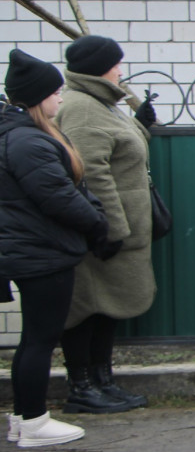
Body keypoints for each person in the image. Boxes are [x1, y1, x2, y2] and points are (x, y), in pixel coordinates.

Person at [2, 50, 111, 447]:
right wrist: (99, 225)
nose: (61, 97)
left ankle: (23, 419)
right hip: (42, 252)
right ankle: (33, 423)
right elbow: (60, 197)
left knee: (34, 338)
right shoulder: (27, 141)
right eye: (55, 91)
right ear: (37, 97)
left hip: (35, 249)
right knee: (41, 339)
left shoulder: (22, 135)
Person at [56, 35, 157, 414]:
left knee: (107, 309)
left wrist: (141, 125)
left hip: (118, 229)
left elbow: (121, 147)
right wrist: (110, 228)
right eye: (115, 63)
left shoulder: (102, 103)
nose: (120, 69)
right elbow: (92, 172)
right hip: (104, 232)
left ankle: (104, 381)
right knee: (87, 309)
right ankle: (82, 387)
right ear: (100, 67)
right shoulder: (82, 108)